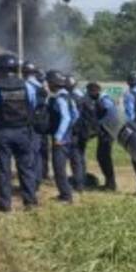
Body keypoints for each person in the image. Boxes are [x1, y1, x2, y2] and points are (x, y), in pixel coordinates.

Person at [0, 54, 40, 212]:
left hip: (2, 132)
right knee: (26, 167)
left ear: (0, 68)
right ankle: (30, 202)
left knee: (3, 170)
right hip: (23, 132)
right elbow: (33, 104)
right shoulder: (26, 85)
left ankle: (5, 204)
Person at [46, 72, 79, 204]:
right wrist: (68, 129)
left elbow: (66, 117)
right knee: (61, 166)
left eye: (49, 83)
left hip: (61, 139)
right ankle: (65, 193)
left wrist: (59, 135)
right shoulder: (69, 96)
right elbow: (75, 115)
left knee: (59, 168)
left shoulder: (59, 98)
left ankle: (66, 196)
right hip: (69, 136)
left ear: (53, 84)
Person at [85, 82, 117, 191]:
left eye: (89, 92)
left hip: (107, 132)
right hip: (104, 131)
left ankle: (111, 184)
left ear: (94, 92)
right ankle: (109, 182)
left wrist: (99, 124)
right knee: (102, 157)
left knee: (104, 157)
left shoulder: (104, 101)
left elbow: (111, 114)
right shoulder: (101, 99)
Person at [23, 62, 50, 182]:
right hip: (42, 122)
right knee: (39, 151)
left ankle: (33, 180)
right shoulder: (41, 86)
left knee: (31, 151)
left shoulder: (26, 85)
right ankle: (40, 175)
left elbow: (30, 105)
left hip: (31, 122)